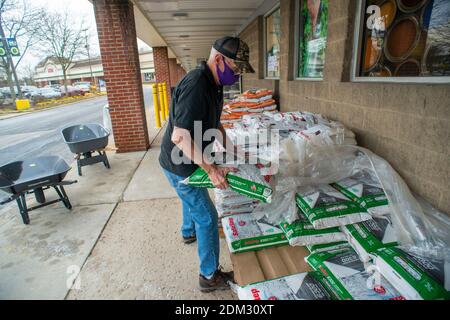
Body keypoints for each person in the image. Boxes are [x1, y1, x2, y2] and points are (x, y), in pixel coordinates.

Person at [159, 36, 255, 292]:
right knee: (208, 217)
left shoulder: (215, 83)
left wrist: (233, 151)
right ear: (219, 59)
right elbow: (179, 136)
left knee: (192, 201)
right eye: (235, 69)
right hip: (179, 163)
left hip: (186, 158)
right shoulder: (197, 85)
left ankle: (188, 231)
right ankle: (209, 276)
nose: (236, 76)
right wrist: (211, 170)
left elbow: (215, 121)